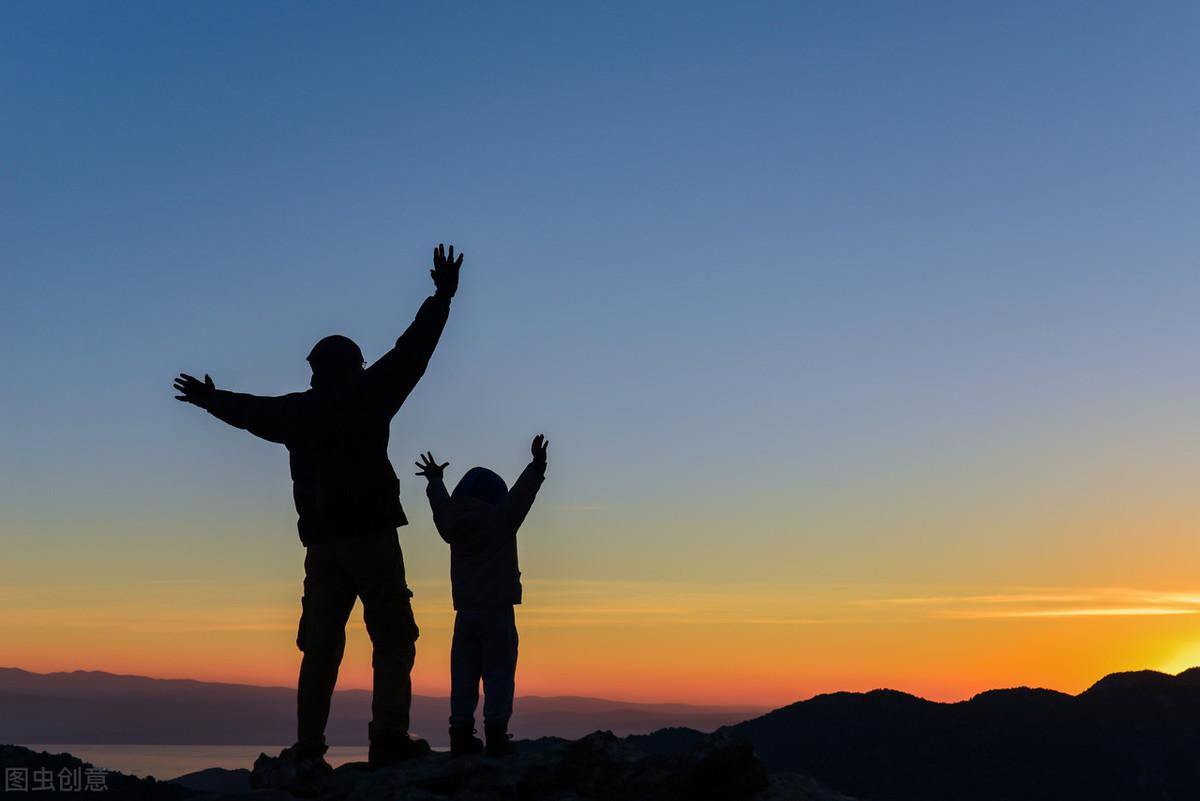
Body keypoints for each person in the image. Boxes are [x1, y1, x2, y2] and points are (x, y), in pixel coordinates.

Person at [172, 244, 466, 768]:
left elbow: (249, 412)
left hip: (324, 547)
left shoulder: (299, 414)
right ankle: (389, 738)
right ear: (354, 366)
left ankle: (310, 746)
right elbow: (413, 350)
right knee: (393, 638)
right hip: (373, 538)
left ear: (316, 371)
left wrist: (209, 400)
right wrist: (442, 296)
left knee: (321, 647)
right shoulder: (370, 394)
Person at [415, 434, 549, 756]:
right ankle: (497, 735)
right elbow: (521, 496)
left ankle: (460, 733)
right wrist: (537, 466)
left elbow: (440, 503)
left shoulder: (451, 523)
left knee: (463, 673)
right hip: (497, 610)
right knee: (499, 672)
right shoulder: (501, 520)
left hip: (466, 613)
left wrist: (435, 480)